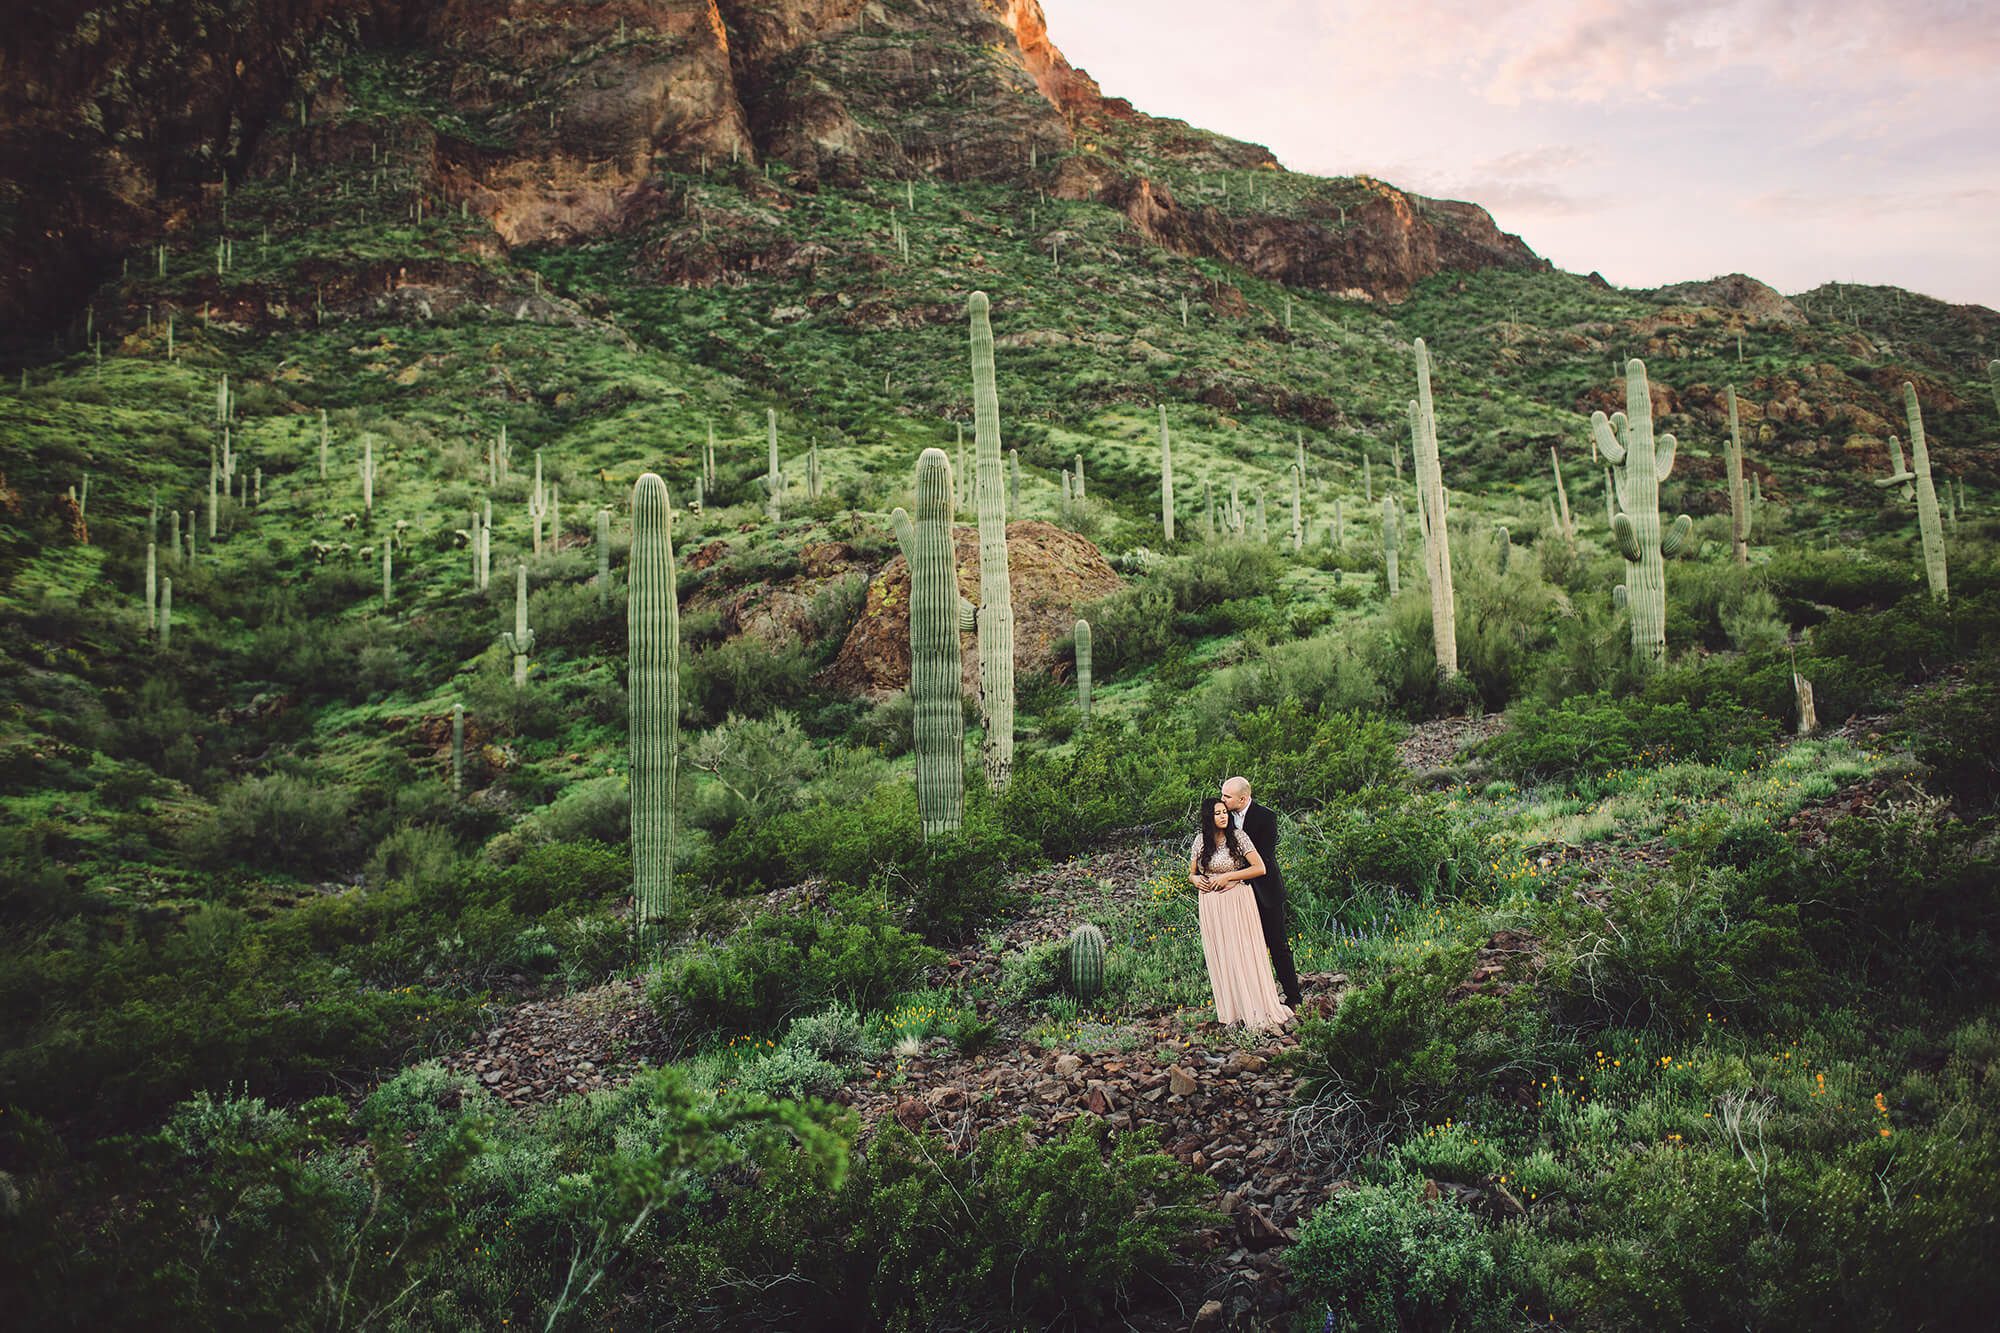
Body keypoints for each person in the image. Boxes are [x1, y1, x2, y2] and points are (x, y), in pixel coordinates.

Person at [1189, 796, 1294, 1030]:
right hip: (1212, 906)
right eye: (1217, 813)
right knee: (1223, 955)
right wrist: (1196, 880)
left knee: (1243, 952)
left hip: (1237, 901)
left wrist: (1229, 877)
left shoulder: (1238, 837)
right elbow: (1192, 872)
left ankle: (1256, 1007)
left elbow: (1260, 868)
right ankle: (1233, 1010)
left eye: (1225, 812)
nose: (1223, 816)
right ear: (1209, 817)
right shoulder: (1200, 841)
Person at [1220, 776, 1304, 1009]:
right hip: (1234, 896)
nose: (1222, 800)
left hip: (1265, 891)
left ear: (1243, 798)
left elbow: (1264, 856)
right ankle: (1255, 1000)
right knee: (1245, 947)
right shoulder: (1222, 816)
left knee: (1278, 944)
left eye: (1227, 796)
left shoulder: (1266, 817)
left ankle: (1294, 997)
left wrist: (1232, 876)